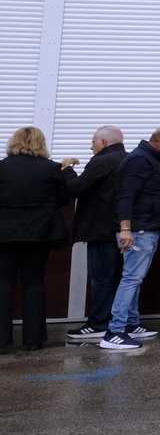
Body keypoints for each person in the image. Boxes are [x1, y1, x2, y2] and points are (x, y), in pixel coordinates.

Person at [102, 124, 160, 350]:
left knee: (135, 278)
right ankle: (115, 331)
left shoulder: (150, 159)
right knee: (131, 278)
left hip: (144, 228)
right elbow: (126, 194)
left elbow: (145, 189)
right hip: (138, 230)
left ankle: (130, 323)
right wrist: (125, 228)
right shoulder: (140, 160)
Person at [0, 126, 74, 351]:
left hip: (4, 234)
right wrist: (67, 170)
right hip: (40, 234)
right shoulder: (51, 169)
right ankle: (34, 339)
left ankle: (2, 340)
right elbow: (63, 199)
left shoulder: (1, 167)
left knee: (3, 283)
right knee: (34, 282)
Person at [64, 126, 127, 343]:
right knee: (119, 278)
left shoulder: (102, 160)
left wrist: (67, 169)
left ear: (103, 142)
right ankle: (117, 322)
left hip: (100, 229)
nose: (91, 147)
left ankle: (98, 324)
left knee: (101, 279)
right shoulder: (129, 159)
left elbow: (77, 188)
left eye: (93, 142)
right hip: (123, 230)